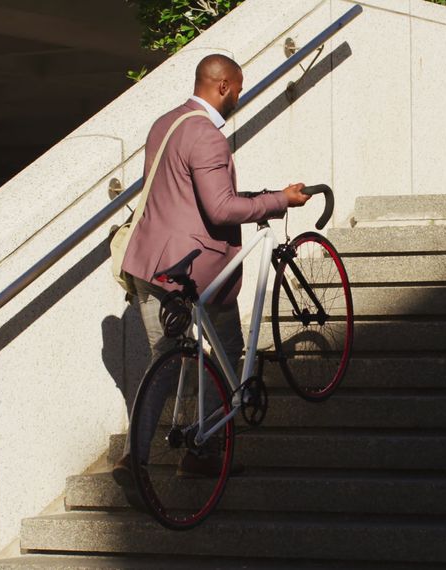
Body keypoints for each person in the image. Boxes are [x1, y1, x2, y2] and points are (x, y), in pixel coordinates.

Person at [113, 54, 312, 482]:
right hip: (192, 271)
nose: (238, 95)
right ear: (223, 86)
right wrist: (280, 200)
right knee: (227, 351)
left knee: (164, 360)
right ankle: (204, 449)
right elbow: (220, 208)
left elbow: (183, 195)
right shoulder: (207, 136)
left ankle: (135, 458)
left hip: (148, 265)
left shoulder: (165, 123)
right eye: (237, 88)